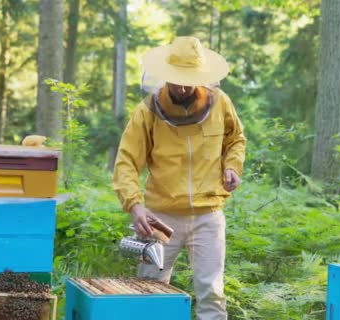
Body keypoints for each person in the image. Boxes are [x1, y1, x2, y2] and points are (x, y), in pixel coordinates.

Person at [112, 36, 246, 320]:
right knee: (150, 290)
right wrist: (135, 205)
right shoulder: (147, 111)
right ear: (164, 75)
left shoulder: (220, 103)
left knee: (212, 292)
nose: (183, 87)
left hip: (208, 214)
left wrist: (232, 166)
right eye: (176, 79)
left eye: (189, 79)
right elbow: (126, 162)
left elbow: (236, 140)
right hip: (160, 218)